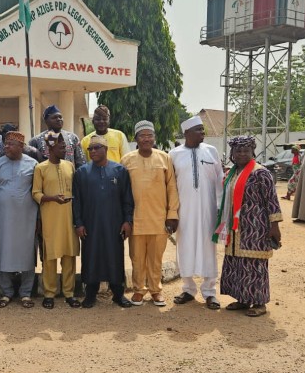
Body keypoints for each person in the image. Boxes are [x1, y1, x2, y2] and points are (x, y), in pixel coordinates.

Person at [214, 136, 282, 317]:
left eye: (246, 150)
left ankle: (259, 303)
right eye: (238, 151)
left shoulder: (261, 173)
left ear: (253, 152)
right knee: (238, 263)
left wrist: (274, 226)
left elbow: (272, 201)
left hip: (255, 227)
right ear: (232, 153)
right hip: (235, 228)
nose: (242, 154)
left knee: (255, 264)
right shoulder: (232, 173)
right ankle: (242, 299)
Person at [121, 121, 179, 307]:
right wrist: (123, 219)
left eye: (149, 135)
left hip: (159, 218)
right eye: (142, 136)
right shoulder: (127, 160)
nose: (146, 139)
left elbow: (172, 187)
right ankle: (139, 290)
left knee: (156, 258)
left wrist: (172, 214)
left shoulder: (164, 158)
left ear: (154, 138)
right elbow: (121, 192)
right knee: (137, 258)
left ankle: (156, 290)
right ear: (136, 139)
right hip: (135, 219)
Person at [169, 116, 224, 309]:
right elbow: (170, 185)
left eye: (202, 129)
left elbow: (220, 179)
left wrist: (220, 207)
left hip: (209, 210)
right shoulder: (173, 154)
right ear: (186, 133)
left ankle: (209, 292)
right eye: (198, 129)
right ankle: (188, 289)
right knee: (185, 247)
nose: (203, 133)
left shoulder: (211, 151)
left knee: (209, 248)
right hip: (184, 211)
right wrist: (171, 213)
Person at [73, 135, 134, 308]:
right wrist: (79, 223)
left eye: (96, 148)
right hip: (90, 225)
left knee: (115, 256)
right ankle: (90, 294)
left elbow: (127, 199)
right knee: (90, 256)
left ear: (106, 149)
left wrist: (127, 221)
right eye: (90, 149)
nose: (93, 151)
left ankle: (118, 294)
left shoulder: (120, 171)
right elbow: (77, 201)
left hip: (114, 225)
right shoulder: (81, 173)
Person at [0, 131, 38, 308]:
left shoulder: (33, 164)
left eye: (10, 144)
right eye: (5, 144)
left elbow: (38, 191)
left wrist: (39, 218)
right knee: (4, 252)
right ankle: (6, 292)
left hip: (27, 218)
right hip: (4, 218)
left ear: (21, 146)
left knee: (28, 254)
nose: (6, 147)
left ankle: (25, 293)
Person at [32, 131, 81, 309]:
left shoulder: (70, 166)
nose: (65, 150)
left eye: (65, 146)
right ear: (50, 148)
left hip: (69, 218)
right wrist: (52, 198)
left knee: (69, 256)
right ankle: (49, 293)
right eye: (61, 147)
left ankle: (69, 293)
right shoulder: (41, 168)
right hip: (50, 219)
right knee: (50, 257)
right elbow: (36, 193)